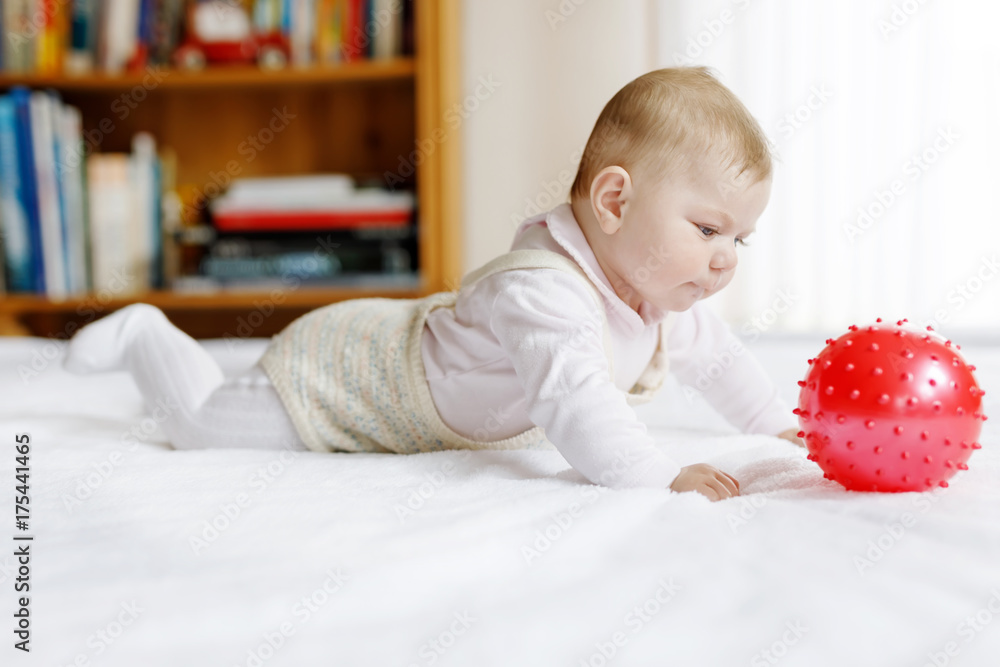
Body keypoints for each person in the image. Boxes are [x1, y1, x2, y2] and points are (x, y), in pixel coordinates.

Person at [63, 67, 804, 503]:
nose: (726, 258)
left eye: (740, 238)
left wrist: (778, 429)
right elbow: (578, 405)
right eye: (708, 229)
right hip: (350, 375)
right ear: (614, 202)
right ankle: (146, 333)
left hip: (403, 367)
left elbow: (722, 362)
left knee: (219, 406)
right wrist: (659, 476)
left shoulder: (657, 295)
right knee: (201, 428)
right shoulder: (546, 294)